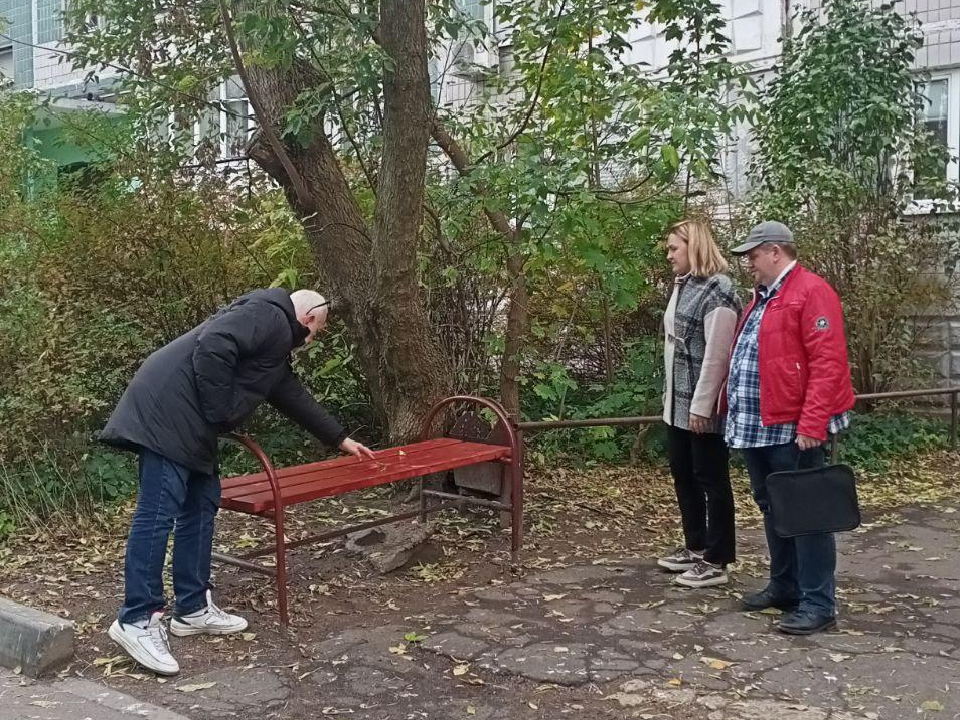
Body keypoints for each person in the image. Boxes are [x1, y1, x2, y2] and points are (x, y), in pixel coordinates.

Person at [99, 288, 375, 675]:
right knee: (158, 513)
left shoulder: (272, 343)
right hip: (167, 416)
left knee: (201, 504)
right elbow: (214, 344)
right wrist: (220, 411)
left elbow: (291, 395)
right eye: (318, 330)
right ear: (310, 318)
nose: (314, 339)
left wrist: (339, 438)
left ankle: (192, 608)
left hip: (190, 424)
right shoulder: (270, 314)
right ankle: (137, 619)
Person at [725, 221, 855, 635]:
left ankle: (818, 602)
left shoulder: (811, 291)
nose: (749, 263)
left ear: (775, 252)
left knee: (807, 514)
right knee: (774, 508)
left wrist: (813, 422)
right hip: (759, 426)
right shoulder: (766, 296)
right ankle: (785, 584)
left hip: (791, 427)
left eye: (753, 255)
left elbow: (827, 363)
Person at [657, 219, 741, 588]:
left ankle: (718, 559)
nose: (669, 254)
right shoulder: (685, 284)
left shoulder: (718, 290)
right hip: (676, 403)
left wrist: (701, 407)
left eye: (675, 248)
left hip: (701, 407)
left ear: (695, 247)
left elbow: (717, 356)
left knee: (711, 478)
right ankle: (696, 547)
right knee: (684, 474)